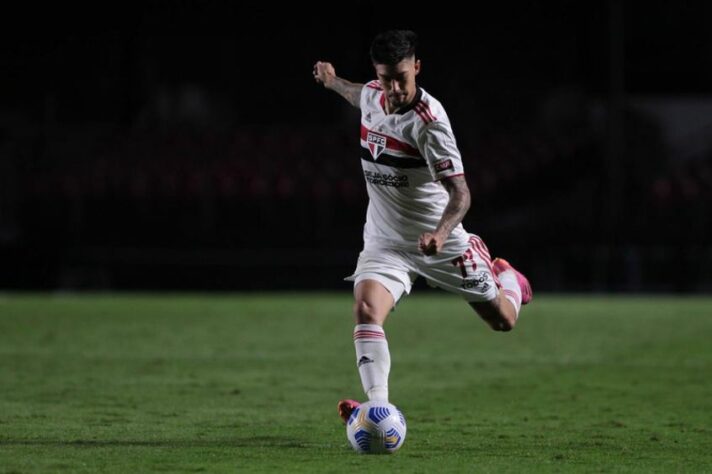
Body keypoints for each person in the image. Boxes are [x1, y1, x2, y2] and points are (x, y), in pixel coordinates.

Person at [312, 30, 532, 422]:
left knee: (503, 321)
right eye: (385, 79)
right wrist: (331, 81)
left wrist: (442, 234)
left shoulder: (429, 125)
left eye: (402, 77)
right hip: (386, 240)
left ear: (417, 67)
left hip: (439, 243)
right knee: (365, 309)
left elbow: (461, 193)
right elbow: (355, 93)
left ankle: (512, 281)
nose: (394, 89)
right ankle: (377, 407)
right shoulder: (373, 98)